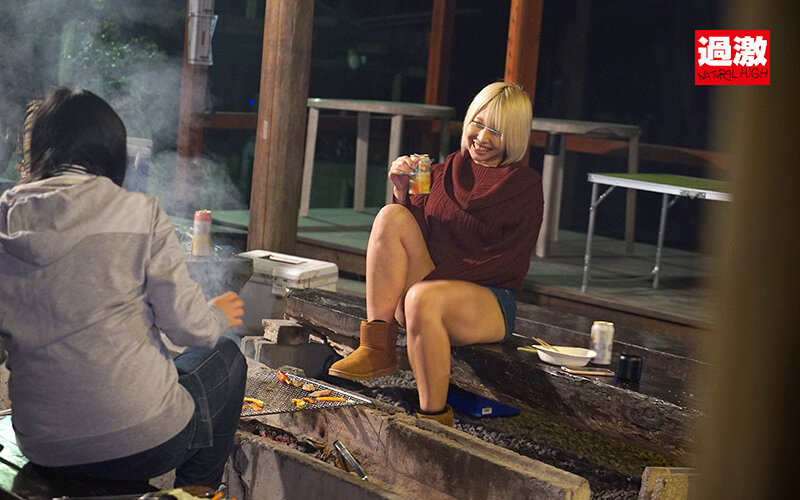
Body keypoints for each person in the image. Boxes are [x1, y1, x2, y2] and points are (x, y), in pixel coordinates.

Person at [0, 88, 246, 488]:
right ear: (112, 151)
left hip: (43, 446)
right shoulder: (140, 212)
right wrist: (219, 313)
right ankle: (195, 494)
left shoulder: (5, 216)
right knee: (226, 355)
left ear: (40, 149)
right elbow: (188, 328)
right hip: (143, 443)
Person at [328, 82, 543, 426]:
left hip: (489, 299)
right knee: (391, 215)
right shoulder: (440, 171)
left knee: (422, 298)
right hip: (430, 289)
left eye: (496, 131)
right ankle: (376, 346)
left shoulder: (525, 185)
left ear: (514, 137)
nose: (482, 137)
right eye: (478, 123)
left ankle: (433, 421)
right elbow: (417, 233)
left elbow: (510, 263)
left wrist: (435, 281)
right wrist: (403, 192)